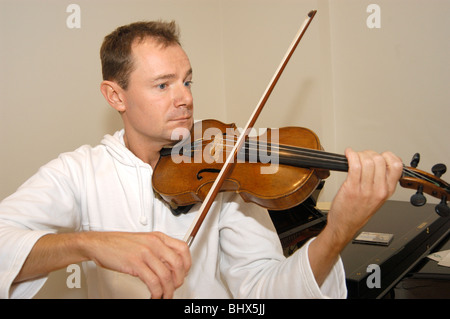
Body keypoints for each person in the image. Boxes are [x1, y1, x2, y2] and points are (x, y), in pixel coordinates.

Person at [0, 21, 403, 299]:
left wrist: (336, 235)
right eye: (163, 85)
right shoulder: (80, 172)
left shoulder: (223, 170)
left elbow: (267, 289)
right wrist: (92, 244)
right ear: (115, 96)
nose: (185, 98)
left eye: (187, 80)